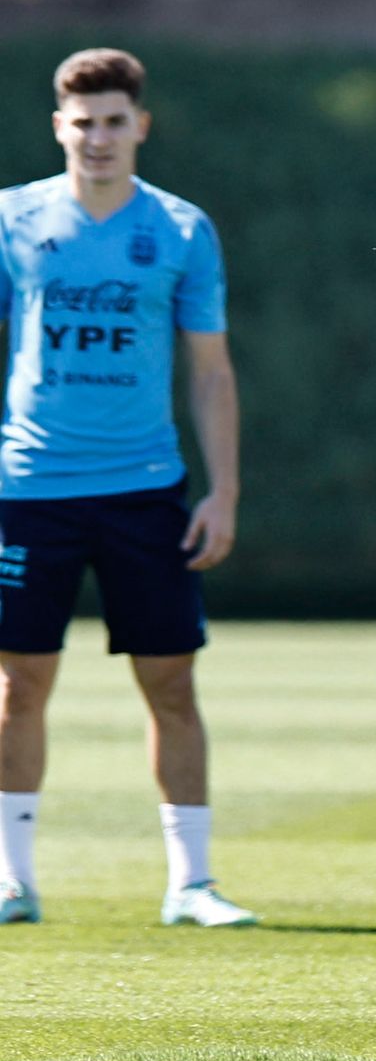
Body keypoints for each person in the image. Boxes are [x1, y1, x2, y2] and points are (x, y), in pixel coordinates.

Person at [0, 48, 254, 927]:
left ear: (140, 125)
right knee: (18, 684)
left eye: (114, 120)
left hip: (146, 490)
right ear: (58, 126)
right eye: (83, 121)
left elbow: (212, 372)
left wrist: (220, 492)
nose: (98, 136)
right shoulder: (13, 219)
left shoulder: (182, 230)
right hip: (29, 488)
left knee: (171, 683)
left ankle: (191, 883)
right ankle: (12, 879)